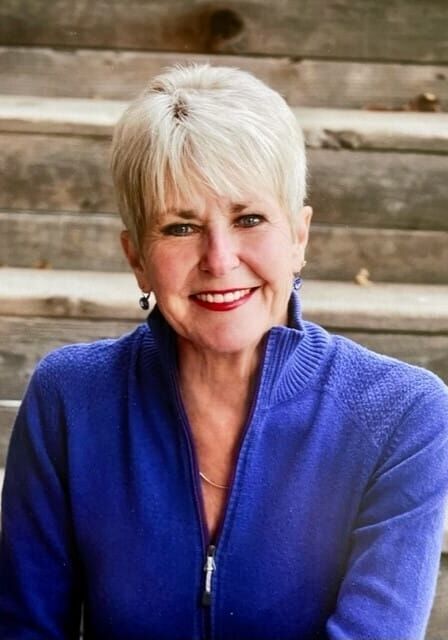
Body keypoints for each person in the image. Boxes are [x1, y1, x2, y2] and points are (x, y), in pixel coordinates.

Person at [0, 64, 447, 640]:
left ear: (299, 237)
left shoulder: (401, 414)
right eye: (181, 227)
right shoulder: (71, 398)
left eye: (249, 219)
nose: (219, 258)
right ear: (136, 256)